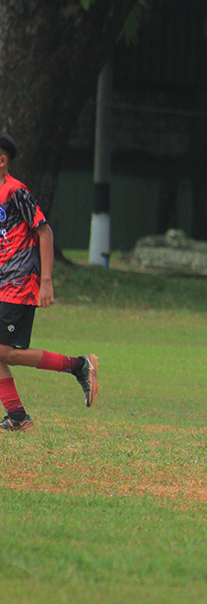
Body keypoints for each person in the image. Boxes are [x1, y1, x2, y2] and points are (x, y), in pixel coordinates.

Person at [0, 130, 98, 429]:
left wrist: (46, 281)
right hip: (3, 281)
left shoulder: (17, 192)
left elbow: (45, 232)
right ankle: (17, 416)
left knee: (4, 353)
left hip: (19, 281)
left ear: (2, 160)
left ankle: (78, 365)